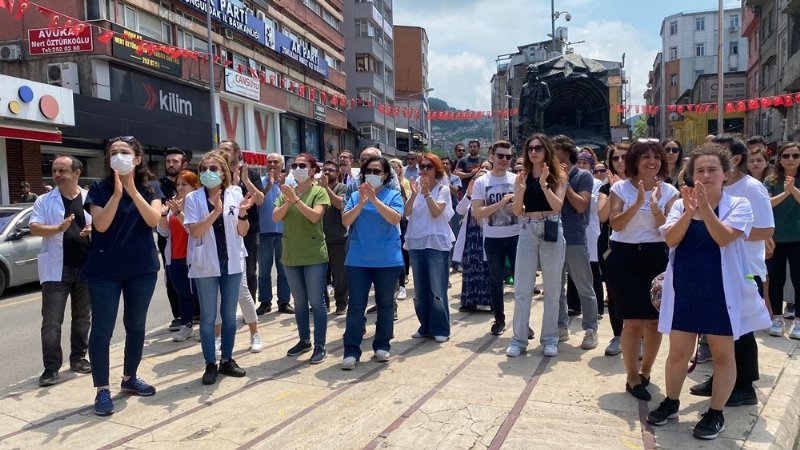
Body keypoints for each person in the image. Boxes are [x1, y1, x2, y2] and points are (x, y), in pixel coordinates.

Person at [647, 144, 771, 440]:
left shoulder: (739, 205)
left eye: (713, 169)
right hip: (686, 290)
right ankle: (672, 401)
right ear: (691, 175)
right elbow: (672, 240)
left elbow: (724, 238)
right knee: (678, 352)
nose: (706, 175)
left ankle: (715, 413)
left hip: (722, 293)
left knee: (722, 355)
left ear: (726, 174)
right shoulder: (680, 204)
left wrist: (704, 209)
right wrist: (690, 213)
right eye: (700, 170)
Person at [686, 134, 775, 406]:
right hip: (716, 270)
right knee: (719, 332)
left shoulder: (752, 189)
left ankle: (745, 387)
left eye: (718, 159)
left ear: (734, 161)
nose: (710, 168)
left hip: (745, 270)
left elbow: (767, 230)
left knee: (741, 331)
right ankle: (720, 380)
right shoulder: (713, 190)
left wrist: (733, 230)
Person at [84, 135, 163, 416]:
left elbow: (154, 220)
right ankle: (102, 389)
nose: (118, 156)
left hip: (141, 269)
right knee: (103, 330)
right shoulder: (99, 188)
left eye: (125, 152)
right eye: (114, 152)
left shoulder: (151, 187)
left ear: (137, 159)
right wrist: (118, 194)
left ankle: (129, 378)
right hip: (104, 271)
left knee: (136, 325)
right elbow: (101, 226)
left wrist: (132, 190)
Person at [606, 139, 679, 401]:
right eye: (646, 157)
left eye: (657, 157)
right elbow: (616, 224)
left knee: (654, 322)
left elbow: (671, 229)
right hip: (625, 258)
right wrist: (637, 202)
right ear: (635, 161)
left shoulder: (670, 191)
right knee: (633, 322)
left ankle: (646, 370)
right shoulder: (620, 189)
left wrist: (658, 210)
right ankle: (632, 376)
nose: (652, 162)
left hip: (656, 257)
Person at [184, 150, 254, 385]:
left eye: (213, 169)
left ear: (223, 171)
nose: (207, 173)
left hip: (232, 262)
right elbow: (194, 231)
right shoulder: (193, 198)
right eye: (203, 169)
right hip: (205, 263)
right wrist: (215, 211)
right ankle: (210, 363)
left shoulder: (235, 194)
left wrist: (243, 214)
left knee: (230, 316)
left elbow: (242, 232)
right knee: (208, 317)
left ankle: (227, 359)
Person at [30, 155, 92, 387]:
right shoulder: (44, 201)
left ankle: (79, 358)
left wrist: (92, 229)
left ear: (76, 172)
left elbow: (101, 225)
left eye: (62, 170)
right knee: (52, 321)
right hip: (57, 270)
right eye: (54, 170)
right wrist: (58, 228)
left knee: (82, 318)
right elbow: (35, 228)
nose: (56, 175)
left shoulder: (89, 198)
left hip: (85, 267)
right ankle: (50, 368)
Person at [506, 133, 567, 358]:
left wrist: (544, 186)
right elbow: (516, 211)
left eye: (538, 148)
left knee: (552, 289)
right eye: (530, 148)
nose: (533, 152)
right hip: (528, 229)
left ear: (546, 150)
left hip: (551, 227)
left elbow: (557, 206)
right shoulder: (522, 177)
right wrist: (520, 192)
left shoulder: (558, 175)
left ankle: (550, 339)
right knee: (522, 289)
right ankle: (518, 340)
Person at [340, 156, 404, 369]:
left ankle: (382, 345)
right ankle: (351, 350)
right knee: (356, 306)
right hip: (358, 260)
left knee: (385, 305)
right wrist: (361, 203)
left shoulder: (393, 195)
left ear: (385, 175)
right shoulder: (356, 195)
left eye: (377, 171)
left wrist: (375, 200)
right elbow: (346, 221)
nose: (373, 174)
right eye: (369, 171)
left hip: (387, 260)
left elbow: (395, 219)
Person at [274, 153, 331, 364]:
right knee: (299, 302)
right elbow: (276, 216)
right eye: (295, 165)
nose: (298, 168)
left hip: (314, 254)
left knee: (317, 302)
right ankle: (304, 340)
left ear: (313, 169)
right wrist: (289, 200)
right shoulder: (287, 192)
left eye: (302, 165)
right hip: (291, 254)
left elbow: (315, 216)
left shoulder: (319, 192)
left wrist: (295, 200)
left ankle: (320, 344)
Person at [552, 135, 599, 349]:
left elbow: (581, 206)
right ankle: (561, 326)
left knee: (584, 287)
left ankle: (590, 329)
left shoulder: (583, 176)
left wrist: (565, 183)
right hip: (552, 238)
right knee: (555, 288)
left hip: (575, 239)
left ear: (566, 155)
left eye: (556, 153)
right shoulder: (548, 177)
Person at [472, 140, 520, 336]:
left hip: (517, 236)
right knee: (495, 280)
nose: (504, 160)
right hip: (493, 238)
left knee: (521, 281)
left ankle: (522, 321)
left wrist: (517, 208)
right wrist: (500, 203)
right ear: (491, 157)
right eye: (500, 156)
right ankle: (499, 319)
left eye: (508, 156)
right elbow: (478, 213)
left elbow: (525, 208)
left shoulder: (517, 179)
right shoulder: (482, 182)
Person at [404, 153, 454, 343]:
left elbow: (436, 212)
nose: (424, 170)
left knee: (436, 288)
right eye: (422, 166)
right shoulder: (416, 185)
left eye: (428, 167)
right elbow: (406, 212)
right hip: (416, 240)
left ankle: (441, 327)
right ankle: (425, 325)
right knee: (420, 289)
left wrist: (425, 193)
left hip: (435, 242)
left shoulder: (443, 189)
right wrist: (415, 194)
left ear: (437, 169)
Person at [219, 140, 264, 300]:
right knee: (225, 268)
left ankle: (248, 308)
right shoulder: (217, 175)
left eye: (226, 149)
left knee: (250, 270)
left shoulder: (251, 173)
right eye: (220, 150)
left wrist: (245, 181)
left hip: (248, 230)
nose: (222, 153)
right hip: (224, 230)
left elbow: (260, 200)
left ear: (237, 153)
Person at [156, 170, 198, 342]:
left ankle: (209, 327)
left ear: (194, 186)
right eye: (178, 184)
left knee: (199, 293)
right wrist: (164, 215)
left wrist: (179, 212)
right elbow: (163, 232)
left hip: (194, 257)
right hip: (174, 256)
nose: (180, 187)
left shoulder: (197, 203)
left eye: (184, 184)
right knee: (182, 293)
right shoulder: (173, 202)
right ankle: (186, 325)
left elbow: (192, 228)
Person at [764, 142, 800, 338]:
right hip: (776, 238)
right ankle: (776, 317)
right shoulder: (771, 180)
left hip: (798, 238)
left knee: (799, 280)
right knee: (776, 280)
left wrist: (793, 190)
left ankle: (798, 321)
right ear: (780, 158)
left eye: (795, 155)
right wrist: (786, 192)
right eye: (786, 155)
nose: (791, 159)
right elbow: (766, 203)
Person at [598, 143, 628, 356]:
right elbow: (602, 216)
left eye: (624, 157)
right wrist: (614, 191)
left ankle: (641, 338)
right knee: (615, 293)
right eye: (615, 158)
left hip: (639, 246)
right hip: (611, 246)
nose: (619, 162)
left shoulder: (643, 184)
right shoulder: (605, 187)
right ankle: (618, 336)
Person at [256, 153, 293, 315]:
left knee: (284, 270)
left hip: (284, 232)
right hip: (264, 232)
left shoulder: (290, 183)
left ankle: (284, 302)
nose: (272, 165)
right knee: (264, 270)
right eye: (269, 162)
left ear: (282, 165)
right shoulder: (260, 183)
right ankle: (265, 301)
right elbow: (256, 203)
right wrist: (269, 186)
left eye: (275, 162)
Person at [158, 147, 189, 332]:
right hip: (169, 239)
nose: (171, 164)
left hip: (191, 240)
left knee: (194, 281)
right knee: (172, 278)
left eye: (175, 161)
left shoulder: (191, 185)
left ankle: (196, 314)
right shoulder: (158, 186)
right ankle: (178, 316)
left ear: (183, 164)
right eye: (168, 161)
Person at [453, 173, 491, 311]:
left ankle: (488, 302)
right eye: (476, 178)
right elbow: (459, 210)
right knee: (470, 269)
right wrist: (469, 194)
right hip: (471, 238)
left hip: (487, 237)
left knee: (486, 269)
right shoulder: (471, 195)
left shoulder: (491, 192)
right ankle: (469, 302)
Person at [320, 160, 349, 315]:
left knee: (340, 275)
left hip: (338, 238)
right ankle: (323, 303)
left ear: (337, 173)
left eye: (330, 170)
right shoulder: (316, 188)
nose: (326, 172)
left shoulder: (342, 188)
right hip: (319, 239)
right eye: (324, 169)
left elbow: (340, 204)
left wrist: (326, 189)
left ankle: (341, 302)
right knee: (320, 275)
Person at [390, 158, 411, 300]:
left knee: (401, 254)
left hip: (400, 224)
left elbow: (403, 204)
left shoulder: (399, 187)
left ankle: (402, 286)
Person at [443, 156, 463, 271]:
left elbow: (455, 191)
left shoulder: (455, 178)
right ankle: (448, 262)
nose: (445, 166)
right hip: (441, 210)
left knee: (455, 235)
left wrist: (445, 182)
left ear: (451, 166)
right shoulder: (436, 177)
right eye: (443, 164)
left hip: (454, 209)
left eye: (447, 164)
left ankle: (456, 263)